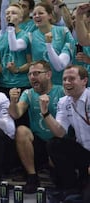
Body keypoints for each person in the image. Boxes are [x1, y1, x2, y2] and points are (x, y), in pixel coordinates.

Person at [8, 60, 64, 193]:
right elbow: (16, 114)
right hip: (38, 143)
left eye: (37, 73)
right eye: (30, 74)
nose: (32, 77)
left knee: (59, 179)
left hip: (58, 141)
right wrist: (13, 101)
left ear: (49, 75)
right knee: (21, 130)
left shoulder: (61, 91)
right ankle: (32, 176)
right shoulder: (28, 93)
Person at [40, 65, 90, 202]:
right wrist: (45, 112)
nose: (67, 82)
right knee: (54, 144)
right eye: (64, 79)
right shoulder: (64, 101)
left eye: (72, 79)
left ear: (84, 81)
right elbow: (60, 132)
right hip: (83, 152)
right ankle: (71, 187)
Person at [31, 2, 75, 85]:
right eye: (34, 14)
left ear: (50, 15)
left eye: (41, 13)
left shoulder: (63, 31)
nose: (37, 16)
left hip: (63, 83)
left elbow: (59, 66)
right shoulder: (31, 35)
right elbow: (14, 47)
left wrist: (48, 44)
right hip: (41, 85)